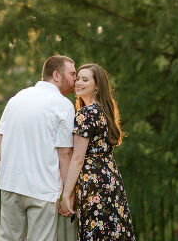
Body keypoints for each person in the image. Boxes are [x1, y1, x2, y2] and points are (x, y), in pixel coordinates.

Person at [0, 55, 77, 241]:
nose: (75, 78)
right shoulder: (64, 105)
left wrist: (5, 176)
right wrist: (68, 194)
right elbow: (64, 154)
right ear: (56, 75)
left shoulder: (16, 98)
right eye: (72, 73)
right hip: (43, 189)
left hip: (10, 185)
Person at [60, 63, 136, 240]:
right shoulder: (104, 111)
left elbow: (78, 159)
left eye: (85, 79)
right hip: (110, 179)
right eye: (77, 78)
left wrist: (66, 194)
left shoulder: (86, 114)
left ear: (97, 85)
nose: (78, 82)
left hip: (93, 183)